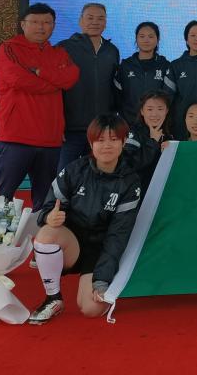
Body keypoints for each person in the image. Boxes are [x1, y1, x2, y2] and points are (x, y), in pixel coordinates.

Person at [28, 114, 141, 324]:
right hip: (72, 244)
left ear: (124, 142)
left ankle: (109, 283)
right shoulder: (74, 170)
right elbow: (48, 208)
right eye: (100, 140)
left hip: (100, 249)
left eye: (113, 139)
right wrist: (50, 217)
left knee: (91, 309)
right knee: (46, 234)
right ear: (91, 143)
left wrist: (103, 279)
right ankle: (53, 298)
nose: (107, 146)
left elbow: (118, 236)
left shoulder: (130, 182)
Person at [0, 3, 80, 211]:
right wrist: (54, 82)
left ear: (53, 26)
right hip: (16, 136)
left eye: (47, 22)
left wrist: (40, 72)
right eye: (35, 22)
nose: (41, 27)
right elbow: (17, 79)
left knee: (46, 201)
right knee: (1, 199)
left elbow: (70, 78)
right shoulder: (9, 48)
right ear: (23, 24)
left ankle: (42, 234)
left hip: (50, 138)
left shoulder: (59, 53)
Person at [56, 3, 120, 171]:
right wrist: (57, 123)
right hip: (70, 130)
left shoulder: (112, 51)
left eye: (100, 18)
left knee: (99, 176)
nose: (95, 22)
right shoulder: (64, 48)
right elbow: (55, 89)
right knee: (65, 176)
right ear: (80, 21)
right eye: (90, 18)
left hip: (101, 130)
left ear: (105, 23)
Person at [114, 21, 176, 123]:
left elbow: (169, 97)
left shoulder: (165, 66)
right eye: (142, 36)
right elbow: (116, 97)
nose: (146, 40)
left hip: (157, 123)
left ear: (157, 39)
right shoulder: (125, 66)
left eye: (151, 36)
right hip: (129, 124)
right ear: (136, 39)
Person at [123, 90, 168, 192]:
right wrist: (152, 142)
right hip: (138, 192)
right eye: (150, 109)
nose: (155, 114)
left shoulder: (170, 135)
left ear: (166, 111)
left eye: (160, 109)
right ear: (142, 111)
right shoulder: (133, 133)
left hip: (164, 192)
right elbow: (129, 165)